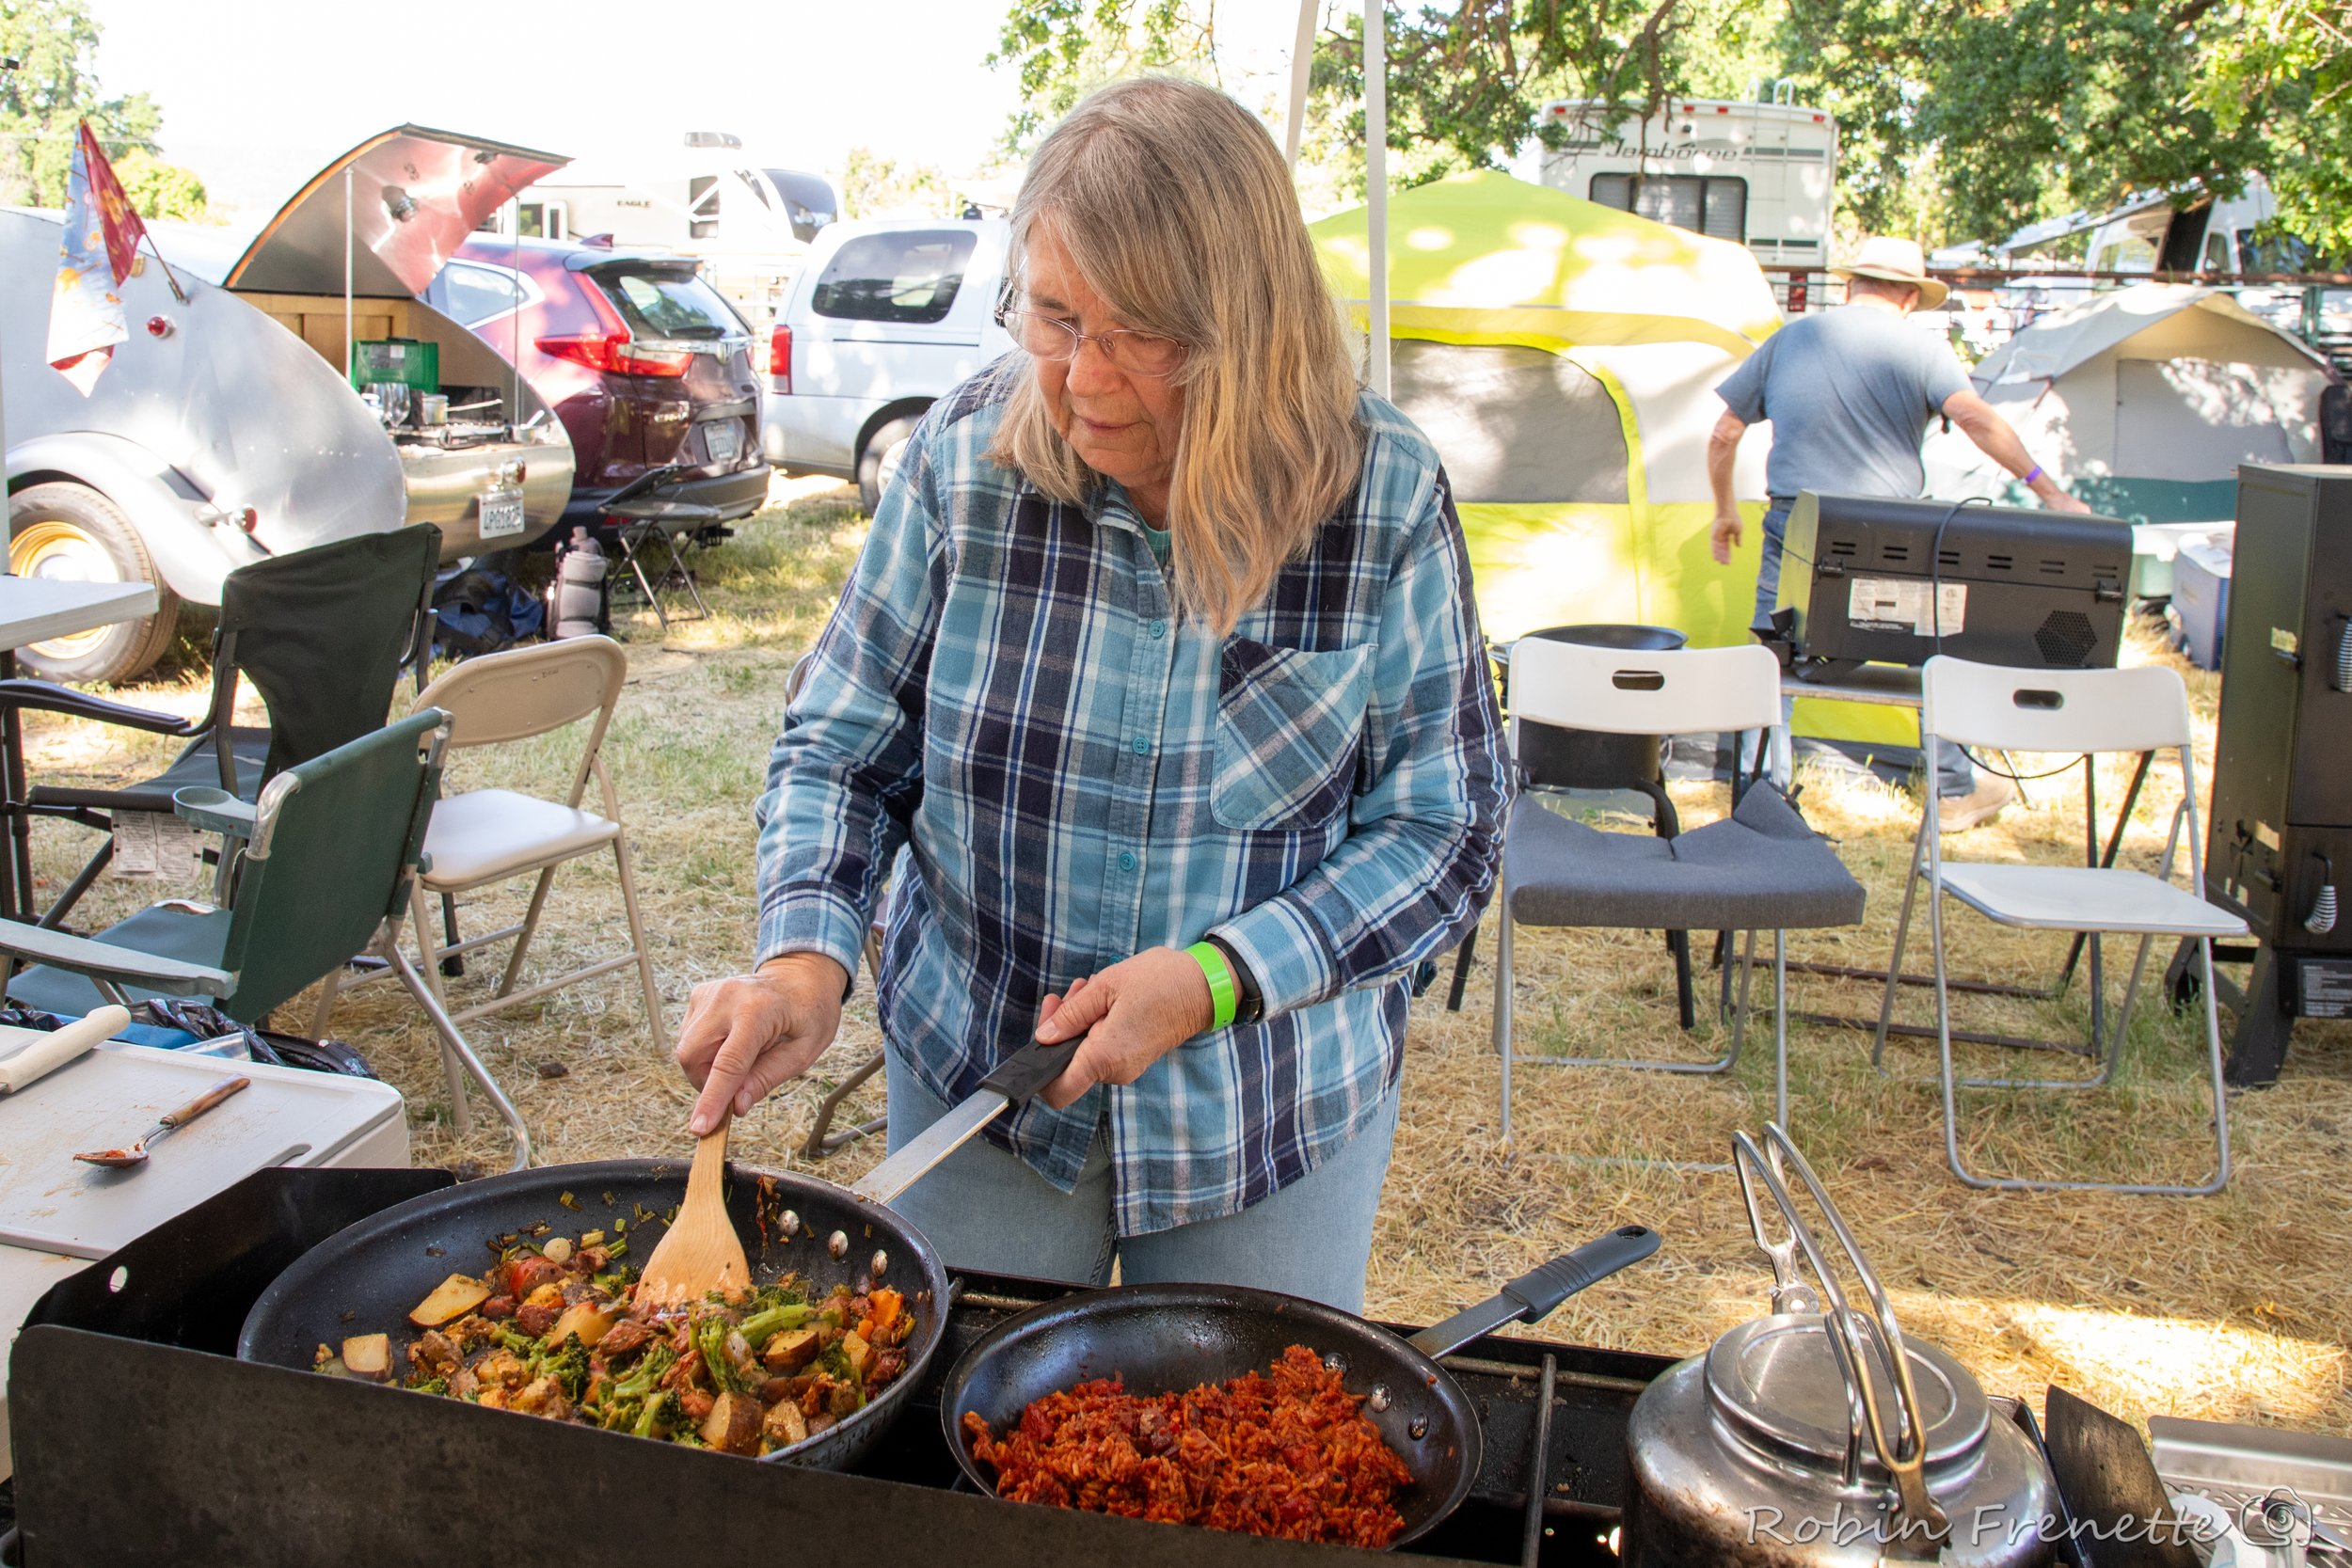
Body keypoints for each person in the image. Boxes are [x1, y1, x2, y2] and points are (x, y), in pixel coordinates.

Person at [673, 77, 1511, 1312]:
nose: (1080, 381)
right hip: (981, 1086)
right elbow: (841, 749)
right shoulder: (965, 461)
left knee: (1237, 1474)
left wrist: (1219, 975)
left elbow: (1448, 828)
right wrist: (805, 961)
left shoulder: (1375, 495)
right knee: (965, 1456)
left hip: (1263, 1112)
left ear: (1251, 327)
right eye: (1056, 317)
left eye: (1142, 336)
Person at [1707, 236, 2092, 832]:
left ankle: (1764, 793)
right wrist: (2051, 492)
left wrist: (1725, 509)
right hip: (1893, 535)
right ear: (1910, 297)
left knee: (1774, 656)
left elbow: (1725, 434)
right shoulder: (1921, 348)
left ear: (1848, 285)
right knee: (1929, 651)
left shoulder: (1791, 339)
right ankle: (1951, 789)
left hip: (1797, 521)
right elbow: (1972, 417)